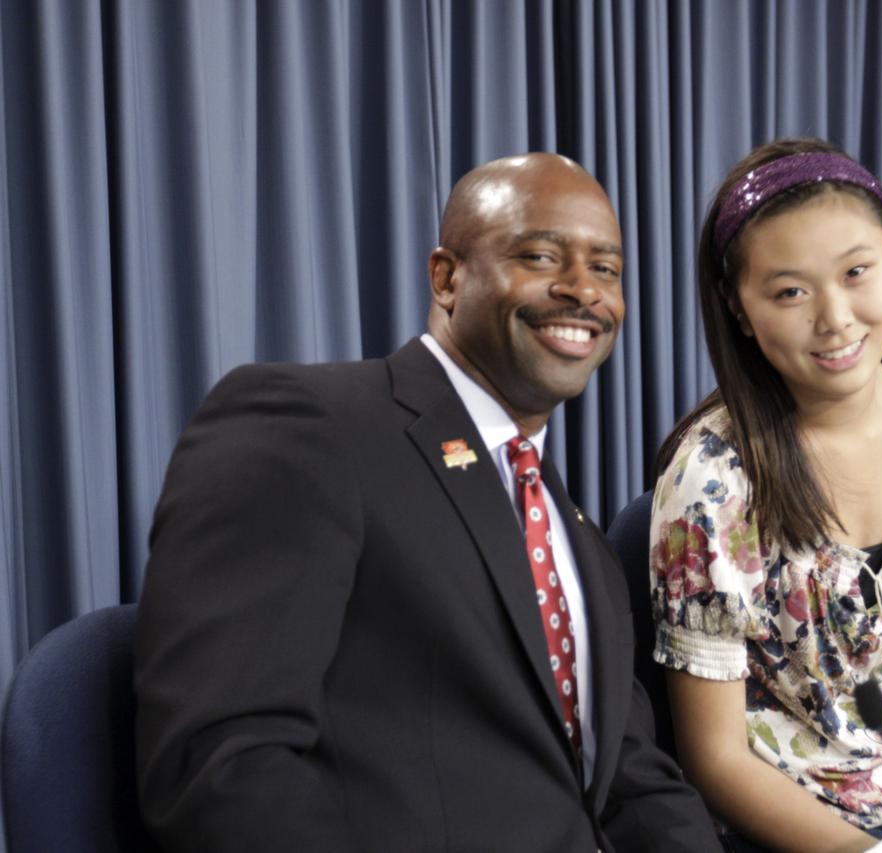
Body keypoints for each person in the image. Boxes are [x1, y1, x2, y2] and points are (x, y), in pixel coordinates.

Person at [133, 152, 718, 852]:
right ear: (447, 278)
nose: (583, 291)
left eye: (607, 269)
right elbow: (224, 764)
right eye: (541, 255)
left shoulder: (573, 528)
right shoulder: (308, 425)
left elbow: (631, 780)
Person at [649, 139, 882, 852]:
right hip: (794, 825)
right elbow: (716, 758)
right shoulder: (713, 479)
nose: (834, 317)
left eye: (856, 272)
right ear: (738, 305)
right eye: (790, 291)